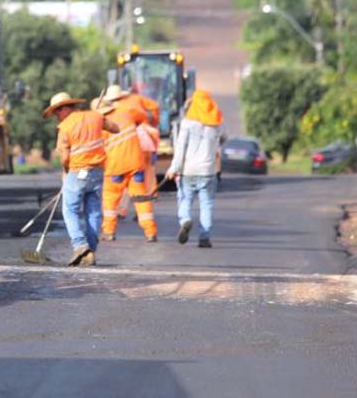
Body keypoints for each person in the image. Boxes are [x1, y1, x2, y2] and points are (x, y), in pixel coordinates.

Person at [44, 91, 120, 267]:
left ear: (64, 108)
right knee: (93, 211)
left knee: (70, 210)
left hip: (77, 172)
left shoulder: (65, 127)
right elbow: (116, 128)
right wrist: (98, 119)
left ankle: (80, 245)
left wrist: (65, 171)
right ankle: (90, 250)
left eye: (56, 112)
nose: (56, 116)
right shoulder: (95, 116)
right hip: (97, 172)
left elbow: (65, 157)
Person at [167, 89, 226, 248]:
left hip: (188, 171)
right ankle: (204, 237)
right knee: (206, 204)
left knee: (185, 199)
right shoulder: (217, 125)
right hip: (208, 171)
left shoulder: (187, 124)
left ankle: (185, 220)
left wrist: (174, 168)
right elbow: (222, 139)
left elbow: (180, 148)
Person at [94, 97, 156, 242]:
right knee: (141, 199)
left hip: (115, 168)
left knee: (110, 201)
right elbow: (143, 116)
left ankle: (109, 232)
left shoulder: (98, 123)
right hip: (136, 165)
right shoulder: (126, 112)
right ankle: (150, 232)